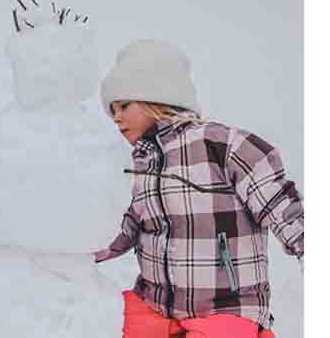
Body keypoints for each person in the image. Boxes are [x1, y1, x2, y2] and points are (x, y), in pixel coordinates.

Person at [95, 39, 303, 338]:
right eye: (111, 109)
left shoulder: (222, 144)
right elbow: (117, 231)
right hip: (155, 306)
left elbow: (281, 204)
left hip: (226, 307)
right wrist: (61, 251)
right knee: (93, 318)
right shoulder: (136, 165)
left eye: (123, 105)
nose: (115, 117)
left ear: (156, 97)